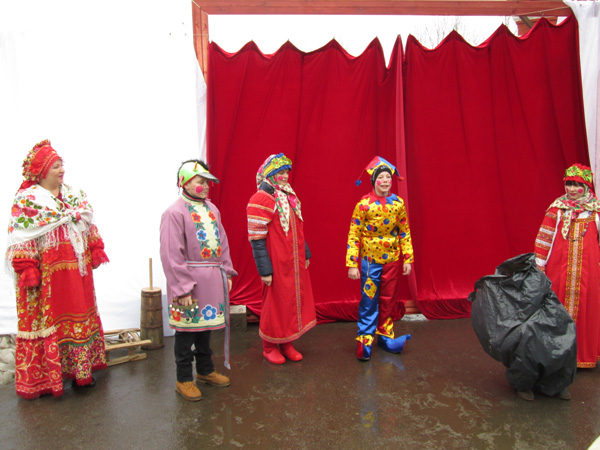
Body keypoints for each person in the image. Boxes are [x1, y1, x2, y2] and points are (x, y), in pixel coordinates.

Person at [6, 140, 109, 399]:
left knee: (78, 317)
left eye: (61, 164)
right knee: (49, 319)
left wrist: (95, 246)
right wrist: (27, 267)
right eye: (55, 166)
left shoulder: (74, 196)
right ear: (41, 172)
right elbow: (21, 237)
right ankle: (45, 379)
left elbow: (87, 222)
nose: (61, 170)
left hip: (77, 275)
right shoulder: (28, 201)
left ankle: (81, 373)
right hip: (47, 278)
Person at [160, 160, 237, 402]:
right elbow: (171, 253)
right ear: (184, 182)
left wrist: (227, 272)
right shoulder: (174, 212)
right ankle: (183, 378)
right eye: (199, 181)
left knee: (206, 327)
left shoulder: (213, 209)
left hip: (211, 279)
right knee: (186, 331)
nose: (205, 186)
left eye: (207, 182)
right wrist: (182, 289)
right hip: (188, 281)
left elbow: (222, 242)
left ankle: (205, 370)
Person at [247, 153, 316, 364]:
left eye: (286, 172)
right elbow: (257, 239)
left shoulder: (288, 196)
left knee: (290, 302)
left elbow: (297, 228)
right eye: (280, 172)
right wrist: (265, 270)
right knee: (275, 304)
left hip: (293, 261)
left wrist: (305, 253)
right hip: (276, 263)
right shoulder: (261, 199)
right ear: (270, 174)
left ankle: (287, 342)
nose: (285, 176)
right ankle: (269, 347)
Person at [346, 156, 414, 361]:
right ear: (374, 181)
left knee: (388, 299)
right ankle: (365, 339)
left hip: (392, 259)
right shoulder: (364, 205)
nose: (385, 181)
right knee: (369, 299)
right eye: (381, 177)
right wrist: (352, 263)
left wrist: (408, 258)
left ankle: (385, 336)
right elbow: (354, 234)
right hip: (369, 261)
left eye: (388, 177)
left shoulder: (398, 204)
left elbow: (404, 231)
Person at [534, 163, 600, 369]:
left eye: (577, 185)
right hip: (558, 270)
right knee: (557, 308)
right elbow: (544, 237)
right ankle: (558, 356)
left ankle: (583, 356)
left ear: (586, 186)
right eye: (568, 184)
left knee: (588, 310)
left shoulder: (596, 211)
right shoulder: (557, 209)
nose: (571, 189)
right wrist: (540, 264)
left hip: (589, 271)